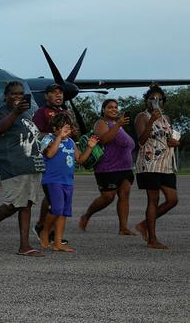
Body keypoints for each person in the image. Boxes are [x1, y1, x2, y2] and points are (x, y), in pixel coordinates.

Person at [0, 82, 45, 257]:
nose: (18, 97)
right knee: (13, 203)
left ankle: (24, 246)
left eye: (21, 94)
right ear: (6, 96)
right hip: (13, 164)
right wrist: (15, 112)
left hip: (31, 163)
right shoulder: (2, 112)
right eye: (14, 94)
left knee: (27, 204)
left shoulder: (27, 114)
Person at [40, 113, 98, 252]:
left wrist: (90, 147)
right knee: (57, 209)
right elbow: (49, 154)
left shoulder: (71, 142)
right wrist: (59, 137)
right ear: (54, 129)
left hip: (68, 182)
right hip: (53, 180)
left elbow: (80, 159)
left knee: (64, 212)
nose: (67, 131)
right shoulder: (49, 138)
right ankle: (45, 232)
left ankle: (58, 242)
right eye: (62, 128)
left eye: (68, 128)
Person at [79, 99, 136, 235]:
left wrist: (118, 125)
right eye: (110, 107)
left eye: (116, 107)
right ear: (103, 110)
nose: (114, 109)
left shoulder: (117, 124)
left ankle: (123, 228)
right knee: (108, 197)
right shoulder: (101, 123)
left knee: (124, 195)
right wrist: (118, 125)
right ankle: (87, 215)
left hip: (125, 168)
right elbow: (105, 140)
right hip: (108, 168)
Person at [133, 86, 180, 249]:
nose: (156, 102)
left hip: (165, 164)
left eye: (160, 99)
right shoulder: (142, 117)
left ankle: (144, 224)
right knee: (153, 199)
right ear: (147, 101)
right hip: (150, 162)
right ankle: (152, 240)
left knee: (173, 199)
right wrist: (152, 120)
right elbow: (141, 140)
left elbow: (170, 138)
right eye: (152, 99)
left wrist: (175, 142)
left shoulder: (166, 117)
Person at [32, 83, 71, 243]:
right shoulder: (41, 112)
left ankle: (42, 225)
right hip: (49, 156)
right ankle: (49, 231)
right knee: (52, 194)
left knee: (53, 196)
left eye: (60, 92)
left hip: (63, 158)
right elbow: (36, 133)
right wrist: (52, 137)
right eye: (54, 93)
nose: (58, 95)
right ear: (46, 95)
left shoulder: (65, 112)